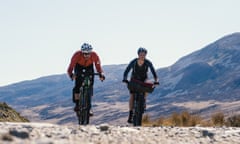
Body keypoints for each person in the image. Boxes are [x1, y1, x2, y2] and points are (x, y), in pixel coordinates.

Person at [67, 43, 105, 116]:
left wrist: (101, 74)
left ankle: (89, 107)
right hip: (79, 67)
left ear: (91, 52)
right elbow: (71, 67)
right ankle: (77, 104)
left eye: (88, 54)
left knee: (90, 86)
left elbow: (98, 66)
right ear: (82, 52)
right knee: (77, 86)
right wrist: (71, 75)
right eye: (84, 54)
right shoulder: (77, 55)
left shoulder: (94, 55)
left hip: (89, 67)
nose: (86, 55)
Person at [122, 47, 159, 123]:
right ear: (138, 55)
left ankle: (144, 100)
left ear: (145, 55)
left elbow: (153, 72)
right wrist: (125, 78)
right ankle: (131, 113)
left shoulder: (148, 62)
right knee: (132, 95)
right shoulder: (134, 62)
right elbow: (127, 70)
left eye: (144, 55)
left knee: (146, 87)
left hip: (144, 79)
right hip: (134, 79)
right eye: (141, 54)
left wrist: (156, 80)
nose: (142, 56)